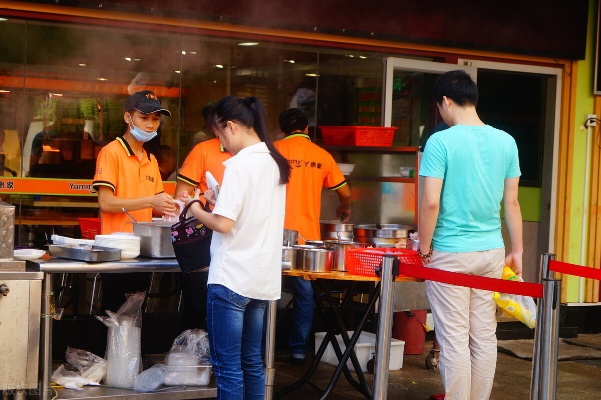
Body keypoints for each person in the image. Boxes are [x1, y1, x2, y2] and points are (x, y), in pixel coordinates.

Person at [418, 70, 523, 400]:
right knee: (483, 335)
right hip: (491, 250)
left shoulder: (441, 141)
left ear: (445, 102)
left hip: (449, 253)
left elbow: (431, 201)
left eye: (440, 107)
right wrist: (517, 249)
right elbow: (512, 201)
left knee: (454, 339)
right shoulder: (506, 141)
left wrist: (423, 245)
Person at [178, 95, 290, 399]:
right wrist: (218, 203)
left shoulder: (241, 165)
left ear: (231, 126)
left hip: (231, 278)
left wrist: (193, 205)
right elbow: (249, 213)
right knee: (252, 363)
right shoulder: (274, 162)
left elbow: (223, 225)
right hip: (261, 279)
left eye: (220, 135)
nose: (222, 143)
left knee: (227, 366)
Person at [274, 108, 352, 364]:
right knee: (305, 294)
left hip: (270, 235)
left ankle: (260, 349)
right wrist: (345, 208)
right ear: (307, 129)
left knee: (261, 292)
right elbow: (345, 192)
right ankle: (298, 350)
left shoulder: (271, 150)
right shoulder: (322, 156)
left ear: (282, 130)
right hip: (305, 241)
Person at [92, 90, 177, 311]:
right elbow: (106, 203)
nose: (150, 124)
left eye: (155, 119)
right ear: (128, 118)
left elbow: (158, 206)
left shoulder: (151, 159)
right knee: (114, 314)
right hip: (115, 252)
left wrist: (179, 205)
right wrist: (150, 201)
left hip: (144, 251)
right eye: (144, 117)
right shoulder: (111, 152)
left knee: (136, 314)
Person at [174, 133, 232, 331]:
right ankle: (193, 353)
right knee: (199, 305)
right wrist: (198, 205)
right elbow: (180, 197)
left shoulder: (255, 156)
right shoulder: (204, 150)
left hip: (238, 248)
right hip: (204, 242)